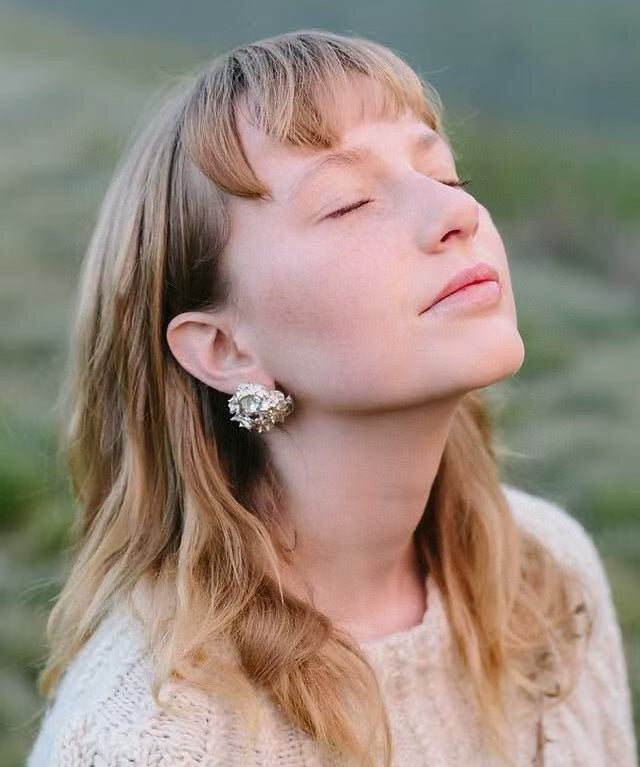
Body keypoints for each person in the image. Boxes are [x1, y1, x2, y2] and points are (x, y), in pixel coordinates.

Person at [25, 29, 637, 767]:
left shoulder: (546, 575)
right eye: (348, 202)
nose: (457, 215)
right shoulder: (149, 744)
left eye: (444, 174)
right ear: (226, 350)